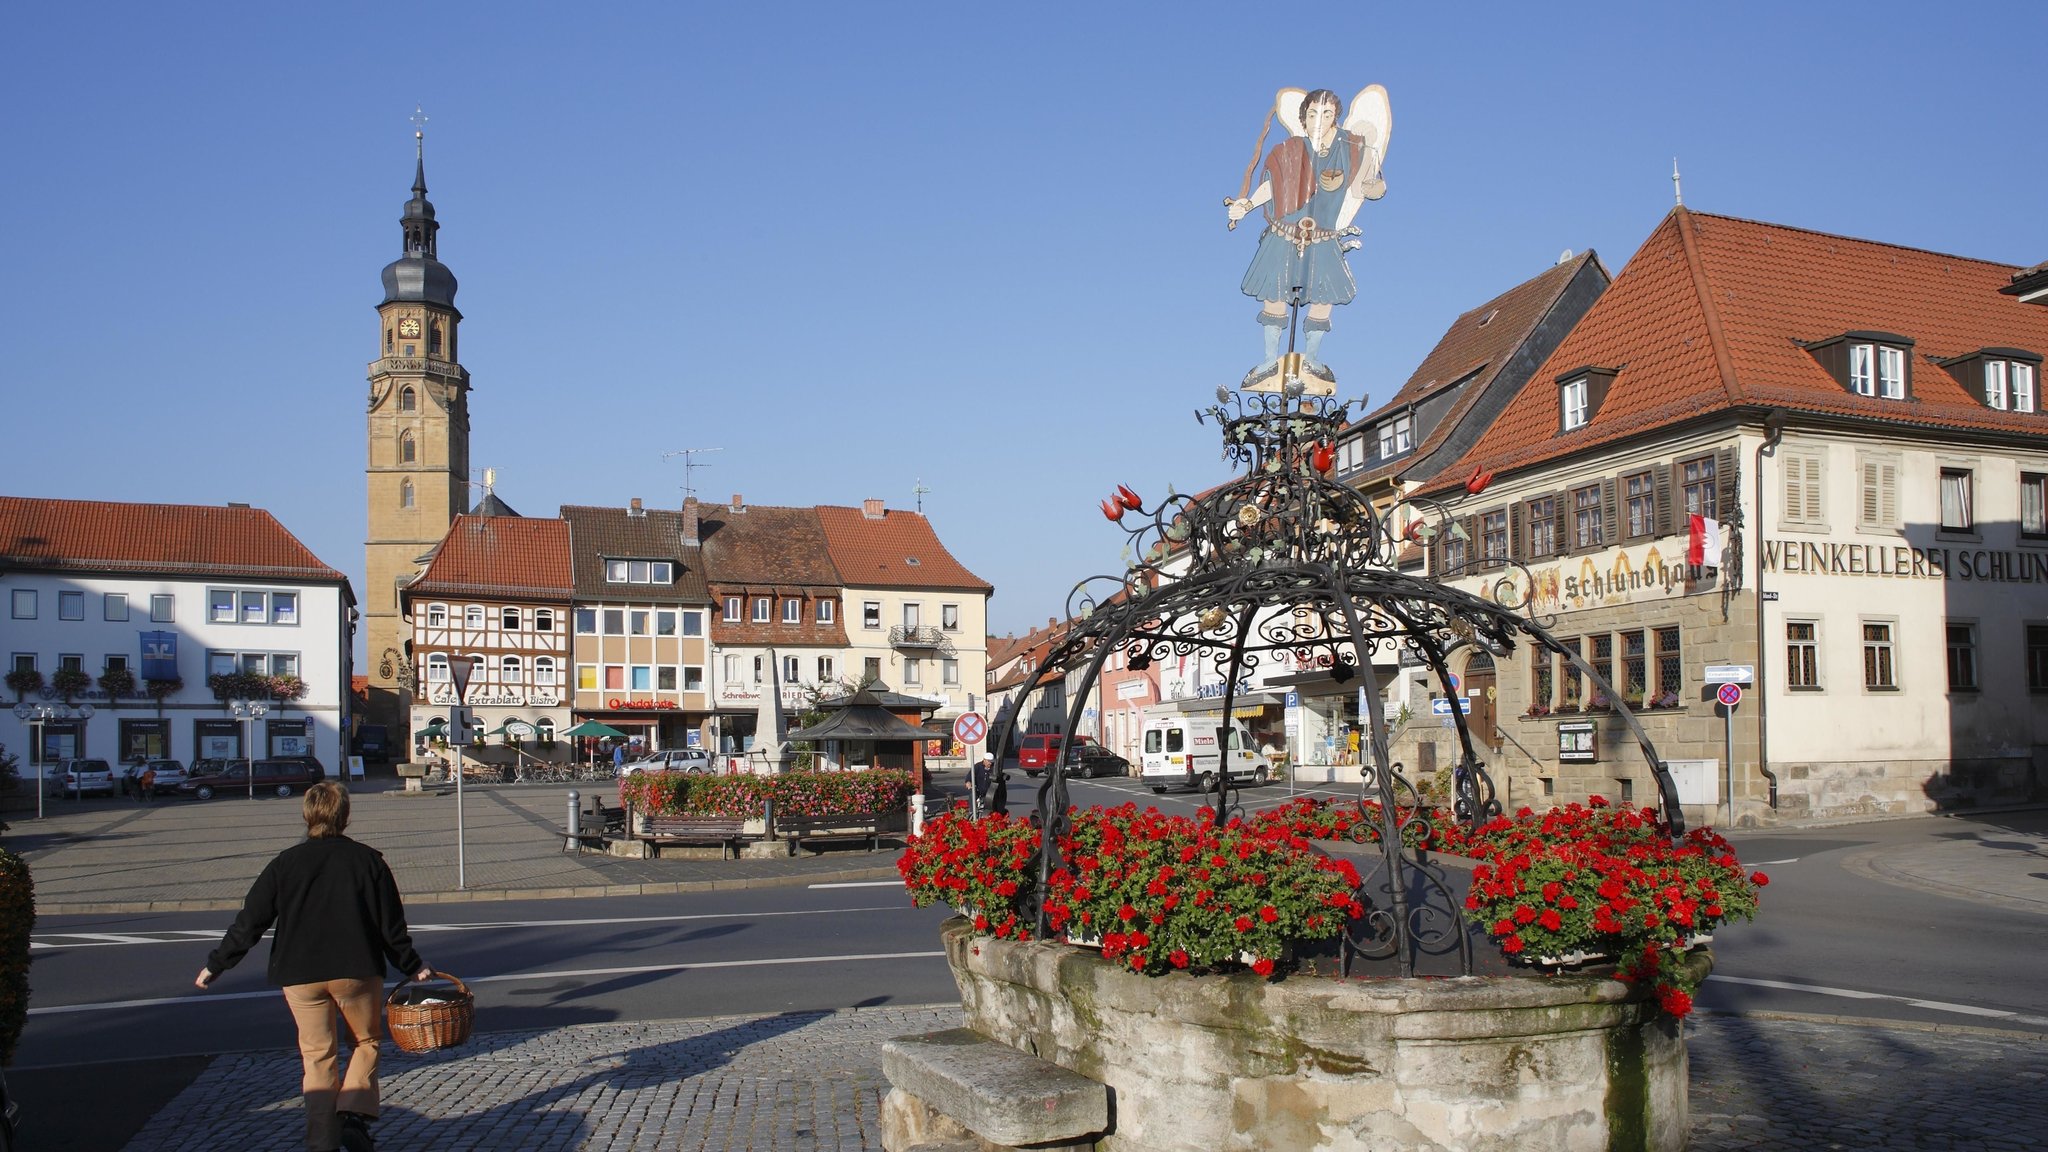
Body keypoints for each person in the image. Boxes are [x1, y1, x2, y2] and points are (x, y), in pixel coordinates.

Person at [195, 782, 431, 1152]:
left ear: (306, 815)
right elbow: (391, 926)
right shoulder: (368, 861)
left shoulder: (284, 864)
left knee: (317, 1057)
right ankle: (354, 1114)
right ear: (345, 816)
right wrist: (412, 965)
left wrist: (217, 964)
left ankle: (322, 1144)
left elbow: (250, 921)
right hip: (355, 970)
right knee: (366, 1042)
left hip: (299, 974)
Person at [1226, 87, 1388, 373]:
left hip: (1323, 237)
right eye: (1313, 113)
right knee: (1274, 297)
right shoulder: (1289, 149)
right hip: (1285, 234)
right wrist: (1247, 204)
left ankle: (1311, 359)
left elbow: (1367, 185)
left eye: (1326, 114)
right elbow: (1273, 186)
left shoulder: (1351, 148)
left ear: (1335, 117)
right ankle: (1269, 361)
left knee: (1324, 298)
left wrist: (1374, 186)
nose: (1319, 119)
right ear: (1303, 117)